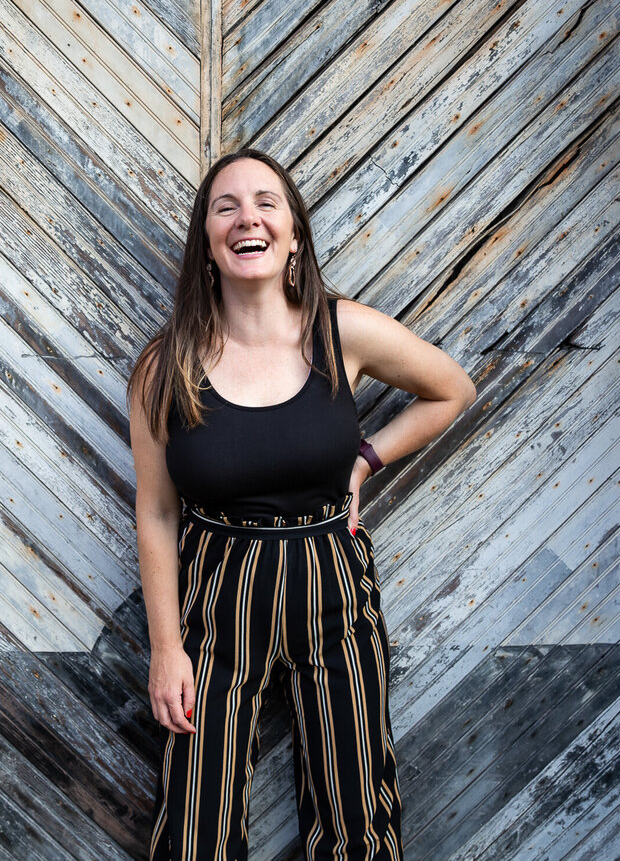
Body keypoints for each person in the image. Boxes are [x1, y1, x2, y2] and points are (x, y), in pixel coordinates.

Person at [128, 148, 476, 861]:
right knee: (195, 823)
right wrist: (167, 649)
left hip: (332, 583)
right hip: (218, 595)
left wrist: (366, 457)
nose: (246, 217)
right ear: (206, 244)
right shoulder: (166, 367)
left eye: (266, 203)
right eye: (225, 207)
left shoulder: (342, 330)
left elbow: (453, 391)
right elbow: (158, 514)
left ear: (293, 235)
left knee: (355, 819)